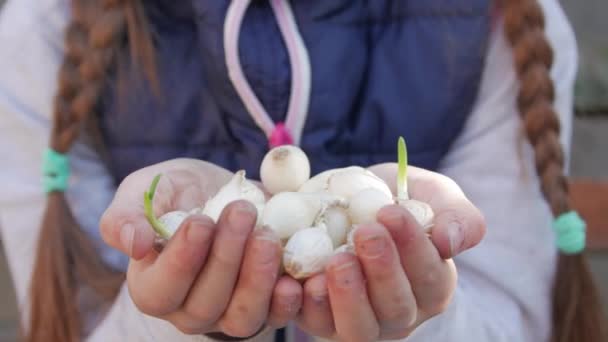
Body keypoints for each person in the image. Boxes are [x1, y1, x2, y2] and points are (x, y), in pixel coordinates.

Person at [0, 0, 603, 341]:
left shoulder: (496, 22)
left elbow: (510, 327)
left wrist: (419, 319)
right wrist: (178, 319)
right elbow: (66, 326)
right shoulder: (39, 31)